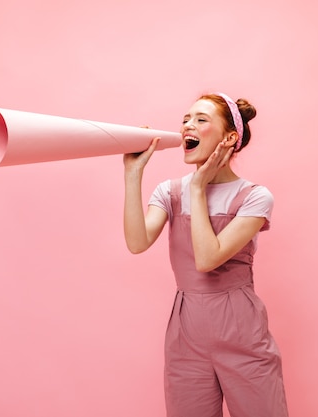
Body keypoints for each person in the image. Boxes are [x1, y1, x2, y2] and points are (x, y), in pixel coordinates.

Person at [123, 93, 289, 417]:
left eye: (201, 119)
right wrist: (133, 173)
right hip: (186, 332)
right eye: (186, 118)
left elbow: (207, 258)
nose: (188, 125)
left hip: (241, 329)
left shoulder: (254, 197)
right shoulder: (169, 192)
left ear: (230, 138)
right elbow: (137, 242)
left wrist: (198, 188)